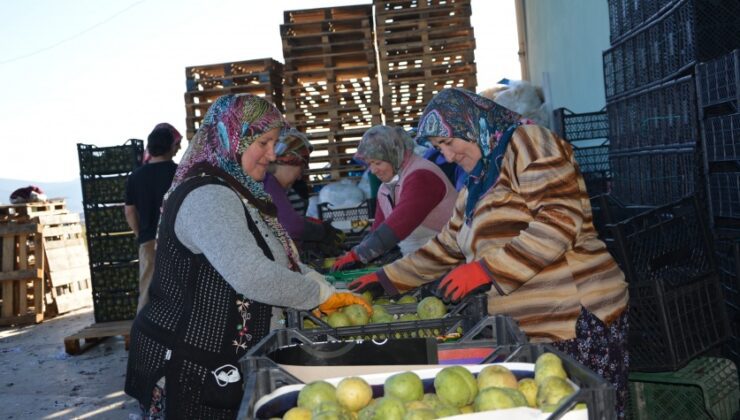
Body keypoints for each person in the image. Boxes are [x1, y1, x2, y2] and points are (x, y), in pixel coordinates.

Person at [349, 88, 630, 417]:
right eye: (440, 148)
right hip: (532, 322)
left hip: (576, 314)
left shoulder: (528, 143)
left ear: (470, 123)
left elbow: (559, 222)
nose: (449, 155)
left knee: (588, 411)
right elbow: (447, 245)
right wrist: (387, 279)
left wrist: (487, 270)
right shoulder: (476, 181)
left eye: (449, 142)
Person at [125, 94, 370, 419]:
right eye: (264, 143)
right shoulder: (207, 196)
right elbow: (253, 274)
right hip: (187, 362)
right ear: (232, 139)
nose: (272, 154)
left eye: (274, 143)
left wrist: (314, 279)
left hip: (216, 360)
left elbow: (274, 255)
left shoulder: (238, 190)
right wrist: (317, 294)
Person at [332, 125, 458, 271]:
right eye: (369, 164)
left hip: (448, 261)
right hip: (420, 264)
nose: (373, 170)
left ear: (395, 155)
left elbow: (399, 224)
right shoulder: (386, 188)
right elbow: (378, 229)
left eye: (378, 163)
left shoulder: (421, 176)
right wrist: (354, 252)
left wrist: (359, 255)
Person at [124, 123, 182, 313]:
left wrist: (140, 234)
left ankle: (144, 334)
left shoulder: (135, 176)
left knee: (147, 290)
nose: (179, 147)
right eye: (176, 144)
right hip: (179, 240)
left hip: (148, 240)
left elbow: (130, 211)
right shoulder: (180, 173)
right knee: (182, 288)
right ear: (169, 146)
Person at [262, 127, 344, 254]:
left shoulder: (270, 182)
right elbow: (292, 226)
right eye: (301, 168)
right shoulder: (269, 183)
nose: (300, 176)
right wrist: (322, 232)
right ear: (289, 163)